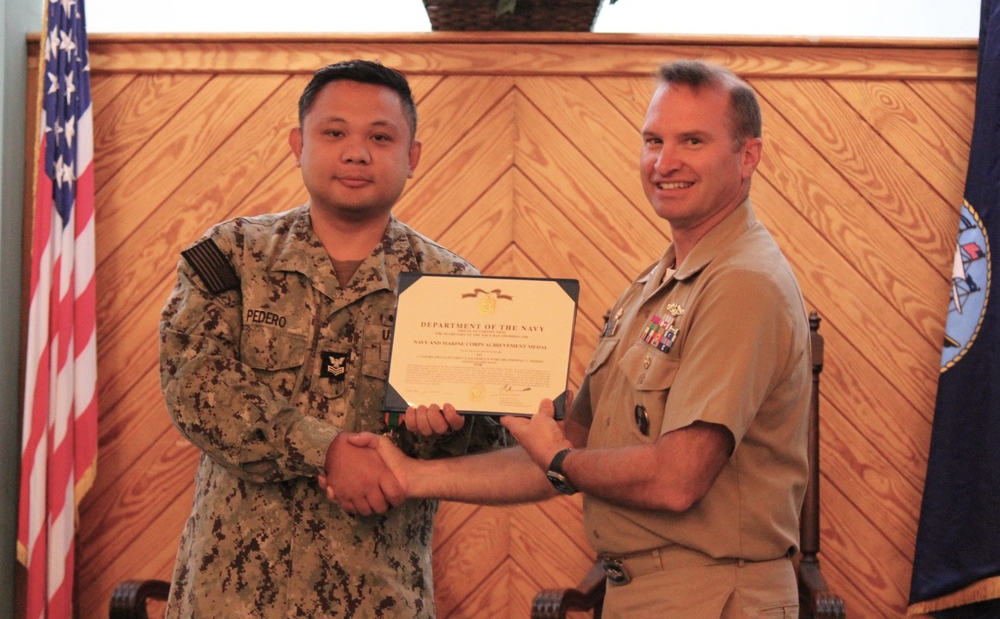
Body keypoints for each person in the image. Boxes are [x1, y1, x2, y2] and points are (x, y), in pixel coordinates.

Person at [336, 60, 811, 618]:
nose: (666, 162)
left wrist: (559, 456)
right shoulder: (657, 286)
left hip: (714, 597)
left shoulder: (740, 284)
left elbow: (676, 479)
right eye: (654, 140)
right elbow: (568, 441)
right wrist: (412, 473)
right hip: (643, 595)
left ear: (747, 156)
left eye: (693, 141)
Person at [159, 59, 501, 618]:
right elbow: (198, 391)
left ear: (412, 156)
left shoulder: (455, 288)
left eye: (381, 137)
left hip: (378, 595)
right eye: (334, 132)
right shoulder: (232, 256)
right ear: (298, 143)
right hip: (229, 596)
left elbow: (496, 449)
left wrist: (448, 431)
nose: (356, 152)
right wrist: (328, 451)